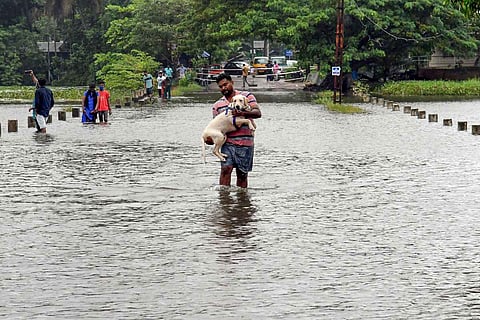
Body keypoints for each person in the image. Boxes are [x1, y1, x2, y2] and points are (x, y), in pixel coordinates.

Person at [212, 73, 261, 188]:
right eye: (221, 87)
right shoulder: (217, 105)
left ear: (232, 82)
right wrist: (211, 139)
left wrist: (242, 113)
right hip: (227, 143)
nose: (224, 88)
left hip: (245, 143)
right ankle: (224, 201)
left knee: (242, 174)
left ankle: (242, 202)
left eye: (225, 84)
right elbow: (216, 126)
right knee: (225, 169)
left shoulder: (247, 96)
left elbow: (258, 113)